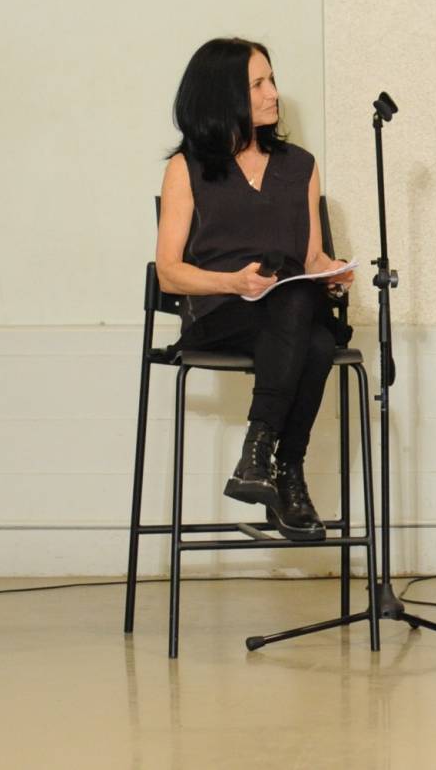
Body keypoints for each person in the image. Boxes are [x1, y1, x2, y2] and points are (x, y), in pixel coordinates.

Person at [155, 38, 354, 541]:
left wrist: (333, 271)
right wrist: (233, 282)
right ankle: (287, 471)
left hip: (286, 312)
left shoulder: (300, 166)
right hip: (222, 314)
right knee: (313, 338)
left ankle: (259, 459)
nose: (273, 93)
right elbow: (169, 273)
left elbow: (311, 257)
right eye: (258, 84)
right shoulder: (186, 168)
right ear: (224, 96)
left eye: (272, 80)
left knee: (306, 317)